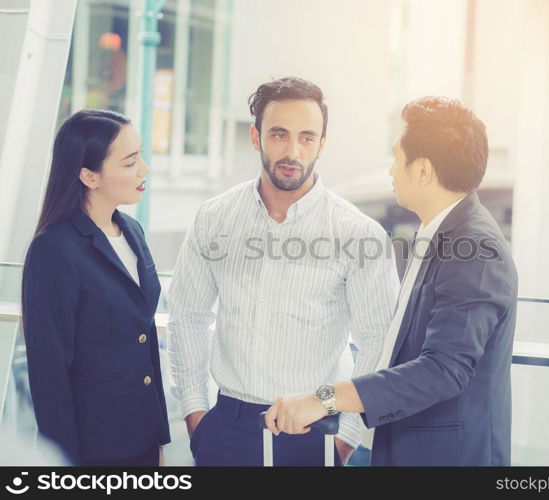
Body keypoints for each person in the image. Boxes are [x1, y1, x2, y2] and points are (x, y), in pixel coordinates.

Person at [265, 96, 518, 466]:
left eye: (397, 159)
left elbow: (442, 369)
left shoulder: (476, 249)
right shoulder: (442, 233)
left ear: (423, 170)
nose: (391, 172)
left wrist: (322, 398)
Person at [167, 76, 399, 466]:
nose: (293, 150)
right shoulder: (214, 218)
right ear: (256, 137)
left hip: (314, 433)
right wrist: (195, 413)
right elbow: (187, 314)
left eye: (307, 138)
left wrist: (346, 439)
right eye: (279, 135)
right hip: (225, 429)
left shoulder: (358, 233)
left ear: (322, 144)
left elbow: (378, 339)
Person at [22, 109, 171, 466]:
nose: (144, 169)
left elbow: (145, 338)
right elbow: (49, 373)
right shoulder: (54, 249)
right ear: (89, 175)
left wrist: (159, 440)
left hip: (143, 441)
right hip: (93, 449)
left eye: (141, 155)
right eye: (130, 161)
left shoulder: (132, 232)